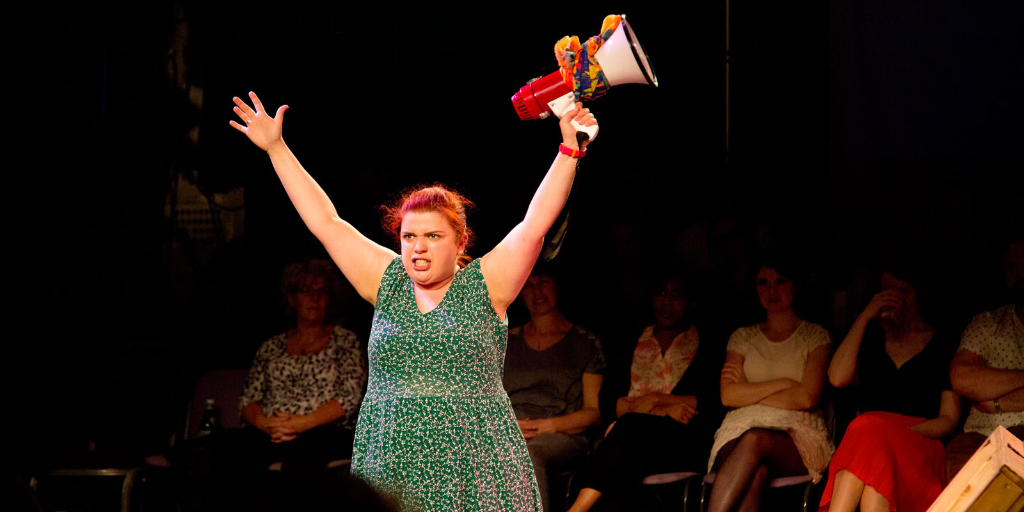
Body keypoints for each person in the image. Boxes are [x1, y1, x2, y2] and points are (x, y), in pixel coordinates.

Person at [230, 91, 596, 511]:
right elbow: (326, 223)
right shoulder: (386, 282)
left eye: (432, 236)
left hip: (474, 465)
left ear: (460, 242)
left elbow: (535, 224)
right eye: (409, 237)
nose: (417, 248)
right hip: (391, 463)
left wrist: (569, 149)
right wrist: (276, 147)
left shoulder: (487, 284)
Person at [566, 273, 726, 512]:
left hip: (682, 443)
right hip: (625, 440)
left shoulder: (708, 345)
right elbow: (608, 403)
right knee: (627, 456)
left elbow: (710, 402)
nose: (666, 302)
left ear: (692, 303)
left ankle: (578, 508)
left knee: (627, 434)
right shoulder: (631, 341)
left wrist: (652, 402)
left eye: (676, 296)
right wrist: (665, 410)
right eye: (661, 294)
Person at [818, 262, 961, 512]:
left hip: (920, 447)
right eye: (887, 291)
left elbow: (949, 418)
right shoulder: (871, 338)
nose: (895, 300)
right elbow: (837, 378)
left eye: (904, 292)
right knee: (868, 467)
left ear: (921, 294)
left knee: (868, 433)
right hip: (870, 448)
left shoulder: (942, 342)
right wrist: (865, 315)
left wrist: (892, 433)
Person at [706, 257, 833, 512]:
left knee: (755, 441)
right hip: (739, 428)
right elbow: (728, 396)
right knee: (756, 474)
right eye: (763, 282)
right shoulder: (742, 337)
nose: (771, 290)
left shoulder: (815, 336)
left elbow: (806, 398)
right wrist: (784, 384)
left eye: (780, 281)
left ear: (795, 285)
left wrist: (748, 390)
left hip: (795, 434)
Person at [238, 258, 366, 463]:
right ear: (291, 299)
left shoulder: (345, 341)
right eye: (306, 290)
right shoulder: (271, 346)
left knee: (302, 455)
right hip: (271, 430)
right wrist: (267, 424)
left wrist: (302, 424)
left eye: (322, 292)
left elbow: (350, 398)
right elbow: (248, 400)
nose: (314, 298)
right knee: (234, 453)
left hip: (325, 432)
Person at [502, 265, 605, 512]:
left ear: (557, 286)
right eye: (529, 285)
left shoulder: (584, 342)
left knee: (528, 455)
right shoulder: (506, 341)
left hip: (561, 435)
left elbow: (594, 411)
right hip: (510, 430)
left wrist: (546, 426)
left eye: (543, 282)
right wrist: (507, 426)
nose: (536, 291)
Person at [946, 236, 1024, 481]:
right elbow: (961, 378)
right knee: (957, 467)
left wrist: (995, 402)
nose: (1019, 274)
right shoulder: (988, 322)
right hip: (981, 435)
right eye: (1012, 267)